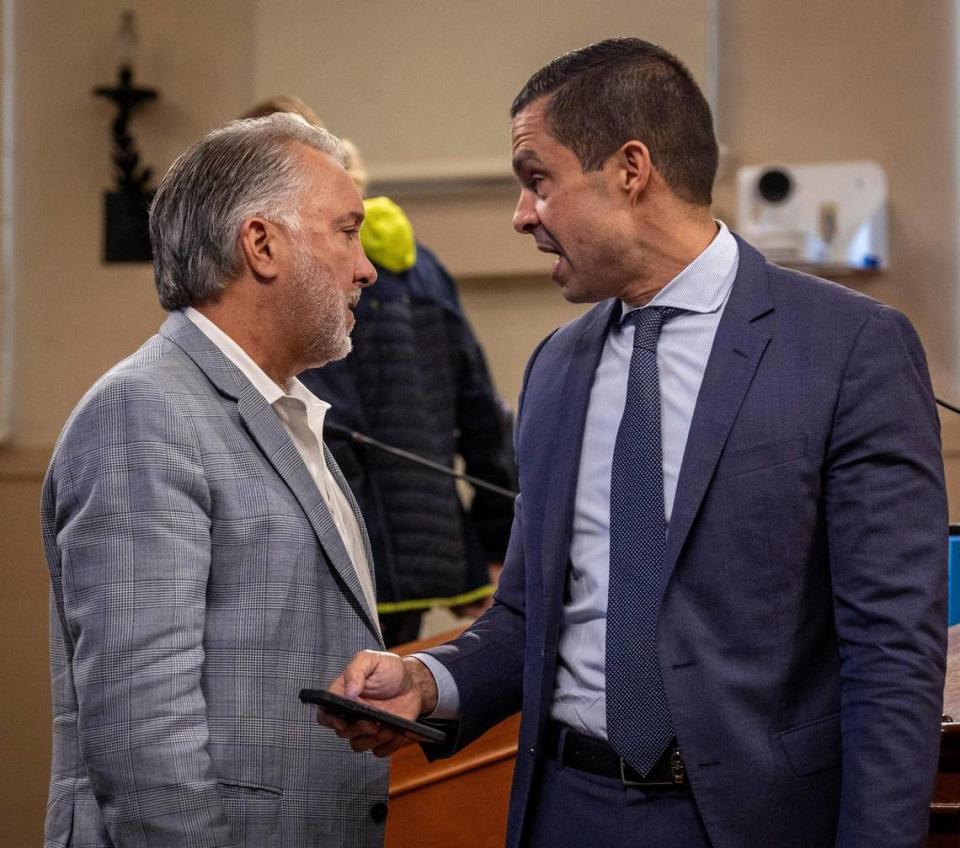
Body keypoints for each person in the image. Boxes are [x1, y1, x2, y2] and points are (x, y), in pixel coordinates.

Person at [324, 38, 948, 848]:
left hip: (754, 822)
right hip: (564, 814)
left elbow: (893, 657)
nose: (521, 215)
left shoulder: (847, 348)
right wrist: (428, 680)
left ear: (630, 168)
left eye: (536, 179)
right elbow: (526, 616)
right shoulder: (556, 367)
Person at [40, 113, 390, 847]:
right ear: (261, 244)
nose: (367, 268)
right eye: (347, 230)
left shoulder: (278, 407)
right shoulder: (144, 412)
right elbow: (144, 740)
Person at [244, 96, 517, 646]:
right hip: (423, 548)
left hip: (328, 548)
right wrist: (495, 542)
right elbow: (483, 413)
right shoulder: (426, 269)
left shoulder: (287, 272)